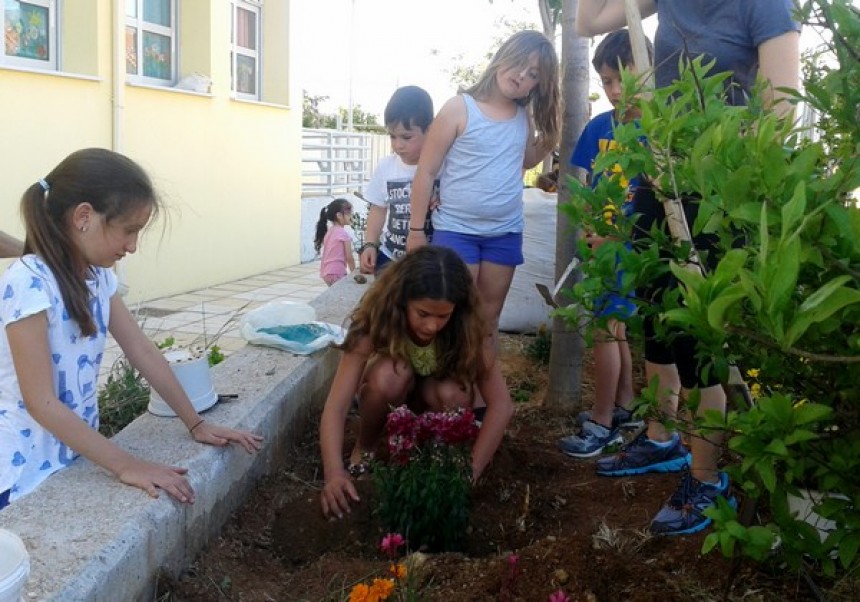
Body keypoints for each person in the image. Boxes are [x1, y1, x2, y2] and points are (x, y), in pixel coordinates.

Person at [576, 0, 800, 535]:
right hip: (658, 182)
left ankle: (706, 476)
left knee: (700, 333)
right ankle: (660, 438)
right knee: (657, 318)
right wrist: (663, 163)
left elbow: (781, 112)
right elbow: (587, 21)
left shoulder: (765, 7)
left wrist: (697, 162)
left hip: (718, 190)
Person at [0, 148, 263, 511]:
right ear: (84, 217)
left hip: (68, 457)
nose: (133, 246)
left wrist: (196, 423)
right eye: (128, 230)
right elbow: (41, 402)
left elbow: (141, 351)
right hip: (18, 471)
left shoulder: (96, 276)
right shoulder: (29, 283)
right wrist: (127, 465)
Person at [319, 246, 515, 519]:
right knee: (389, 375)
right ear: (402, 301)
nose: (433, 326)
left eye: (443, 316)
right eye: (423, 314)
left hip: (435, 398)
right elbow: (337, 405)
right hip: (396, 394)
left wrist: (468, 474)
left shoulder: (470, 328)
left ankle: (436, 453)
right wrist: (333, 473)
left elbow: (501, 405)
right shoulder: (378, 317)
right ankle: (366, 448)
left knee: (453, 392)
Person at [406, 30, 560, 347]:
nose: (521, 76)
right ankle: (446, 392)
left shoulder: (523, 116)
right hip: (456, 229)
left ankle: (477, 392)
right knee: (455, 314)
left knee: (489, 319)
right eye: (520, 64)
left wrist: (552, 136)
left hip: (504, 233)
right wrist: (416, 230)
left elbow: (526, 159)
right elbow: (426, 170)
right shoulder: (459, 108)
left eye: (533, 75)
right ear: (503, 56)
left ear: (537, 86)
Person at [559, 28, 652, 459]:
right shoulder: (599, 127)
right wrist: (587, 232)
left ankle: (600, 423)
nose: (614, 90)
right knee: (616, 330)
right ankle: (626, 407)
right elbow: (583, 186)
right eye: (606, 82)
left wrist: (618, 237)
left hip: (630, 252)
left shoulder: (657, 133)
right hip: (599, 248)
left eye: (621, 79)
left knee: (605, 333)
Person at [359, 86, 436, 274]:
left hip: (430, 262)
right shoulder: (386, 166)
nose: (398, 145)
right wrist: (370, 244)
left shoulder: (443, 166)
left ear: (430, 129)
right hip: (391, 258)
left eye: (407, 137)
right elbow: (378, 210)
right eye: (392, 136)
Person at [314, 198, 356, 286]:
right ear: (339, 215)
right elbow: (349, 257)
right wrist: (354, 273)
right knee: (342, 296)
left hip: (326, 272)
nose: (351, 216)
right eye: (348, 213)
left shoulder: (330, 232)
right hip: (337, 272)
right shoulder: (343, 234)